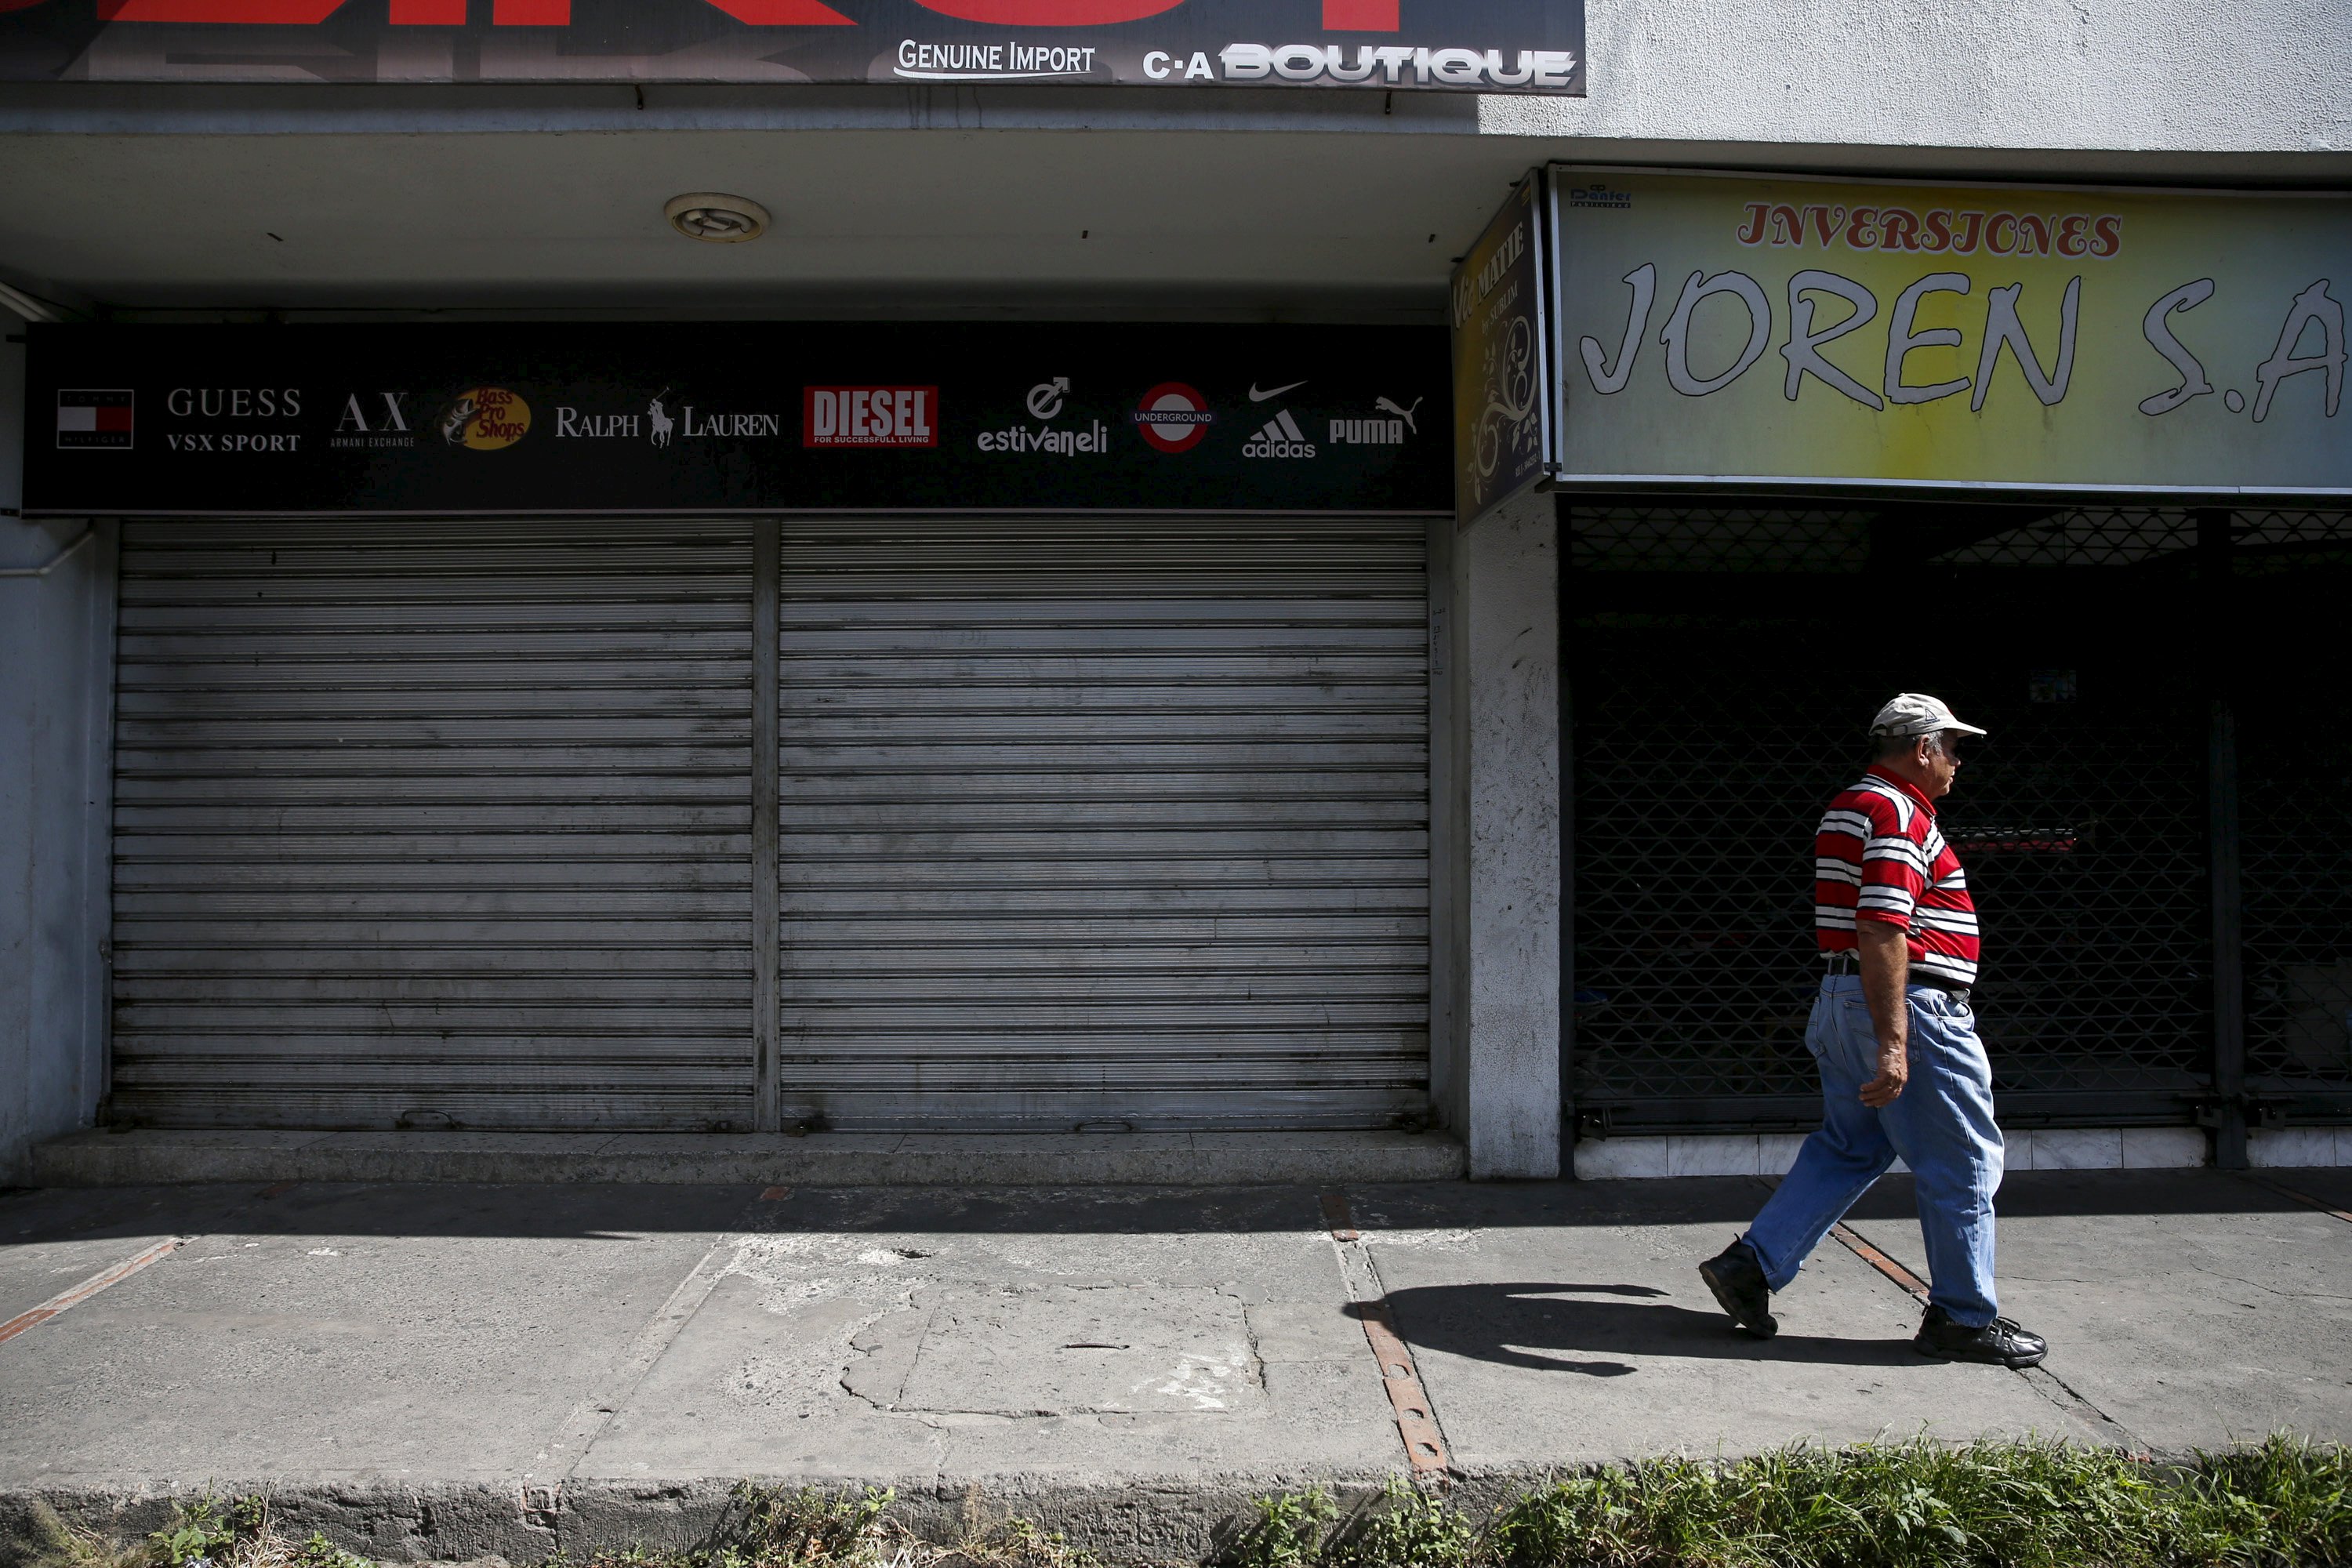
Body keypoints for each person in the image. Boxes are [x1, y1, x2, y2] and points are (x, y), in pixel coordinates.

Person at [1697, 693, 2048, 1367]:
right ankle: (1962, 1316)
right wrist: (1895, 1041)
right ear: (1922, 748)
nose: (1956, 762)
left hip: (1842, 997)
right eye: (1951, 747)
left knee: (1851, 1146)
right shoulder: (1896, 810)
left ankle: (1751, 1266)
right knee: (1965, 1160)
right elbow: (1883, 924)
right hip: (1908, 1005)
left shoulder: (1852, 803)